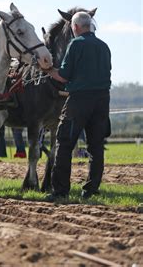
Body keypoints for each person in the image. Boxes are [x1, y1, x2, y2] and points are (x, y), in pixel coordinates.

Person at [44, 12, 111, 201]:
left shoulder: (76, 44)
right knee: (96, 146)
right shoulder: (104, 46)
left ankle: (60, 191)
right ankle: (91, 188)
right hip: (102, 100)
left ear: (75, 27)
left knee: (64, 143)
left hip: (79, 101)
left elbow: (63, 76)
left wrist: (47, 69)